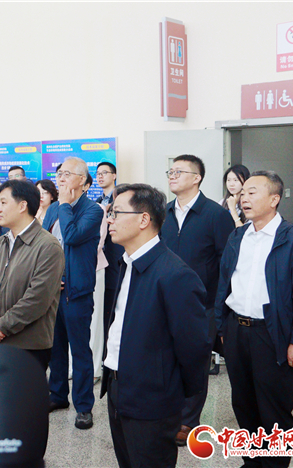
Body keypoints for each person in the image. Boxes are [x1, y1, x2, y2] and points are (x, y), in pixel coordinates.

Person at [101, 183, 210, 468]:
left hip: (152, 399)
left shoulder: (174, 274)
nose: (110, 220)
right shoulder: (126, 262)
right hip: (118, 387)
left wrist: (177, 401)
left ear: (143, 220)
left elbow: (194, 347)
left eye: (116, 213)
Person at [216, 171, 293, 468]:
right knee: (243, 405)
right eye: (242, 192)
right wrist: (222, 327)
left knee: (274, 411)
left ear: (274, 199)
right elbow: (224, 284)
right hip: (237, 330)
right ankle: (253, 462)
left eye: (252, 192)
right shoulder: (237, 236)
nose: (243, 198)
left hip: (272, 333)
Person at [160, 154, 235, 445]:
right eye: (170, 171)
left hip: (202, 304)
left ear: (197, 178)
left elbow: (227, 264)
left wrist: (219, 308)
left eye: (179, 171)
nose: (172, 176)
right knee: (167, 361)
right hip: (165, 301)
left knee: (194, 363)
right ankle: (168, 414)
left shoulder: (215, 214)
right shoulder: (164, 212)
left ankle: (188, 421)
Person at [0, 179, 64, 379]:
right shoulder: (1, 242)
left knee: (24, 398)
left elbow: (37, 299)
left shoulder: (48, 246)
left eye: (3, 202)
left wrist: (1, 326)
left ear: (22, 205)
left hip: (29, 345)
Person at [41, 156, 103, 430]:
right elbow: (44, 244)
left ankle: (84, 406)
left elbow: (73, 235)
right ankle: (57, 395)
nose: (61, 178)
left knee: (79, 351)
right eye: (60, 173)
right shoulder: (54, 208)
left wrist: (65, 204)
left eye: (68, 174)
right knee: (54, 349)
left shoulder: (93, 210)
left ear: (83, 182)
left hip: (76, 292)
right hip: (53, 292)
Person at [94, 162, 125, 342]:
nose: (100, 176)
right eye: (98, 173)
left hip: (117, 258)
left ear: (114, 175)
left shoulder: (121, 200)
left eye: (104, 173)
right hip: (101, 263)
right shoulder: (97, 203)